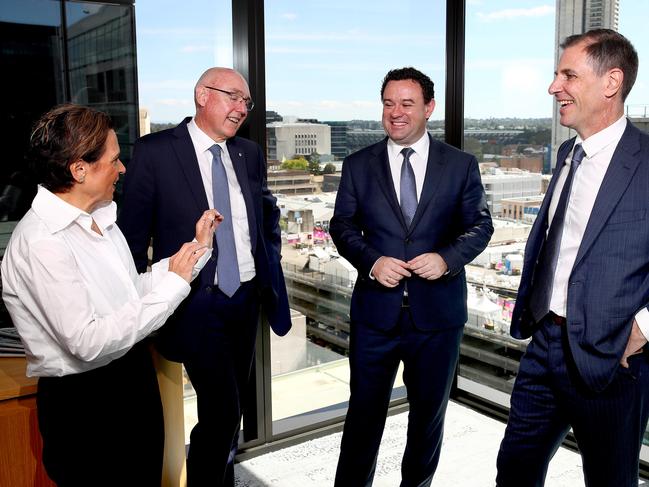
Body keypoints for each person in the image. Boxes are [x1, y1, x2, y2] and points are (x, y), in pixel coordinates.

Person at [1, 104, 221, 487]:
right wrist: (176, 284)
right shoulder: (41, 242)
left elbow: (131, 294)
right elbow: (87, 342)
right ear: (79, 169)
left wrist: (193, 253)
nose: (122, 170)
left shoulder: (101, 220)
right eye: (114, 160)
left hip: (130, 380)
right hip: (86, 405)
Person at [118, 67, 291, 487]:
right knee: (223, 411)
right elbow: (132, 240)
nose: (241, 109)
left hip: (246, 300)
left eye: (246, 103)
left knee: (228, 412)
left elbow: (262, 221)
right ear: (201, 94)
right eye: (233, 97)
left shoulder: (248, 153)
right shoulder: (155, 152)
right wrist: (136, 309)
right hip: (195, 303)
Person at [496, 29, 649, 487]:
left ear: (611, 82)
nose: (553, 87)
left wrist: (642, 329)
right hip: (544, 345)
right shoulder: (567, 153)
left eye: (568, 75)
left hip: (612, 361)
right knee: (515, 471)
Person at [330, 67, 493, 487]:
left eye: (406, 104)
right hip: (375, 318)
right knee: (363, 420)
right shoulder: (358, 165)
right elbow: (342, 226)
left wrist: (446, 259)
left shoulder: (460, 165)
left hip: (437, 319)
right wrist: (371, 261)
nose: (395, 113)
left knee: (427, 422)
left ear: (429, 108)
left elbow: (480, 226)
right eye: (388, 103)